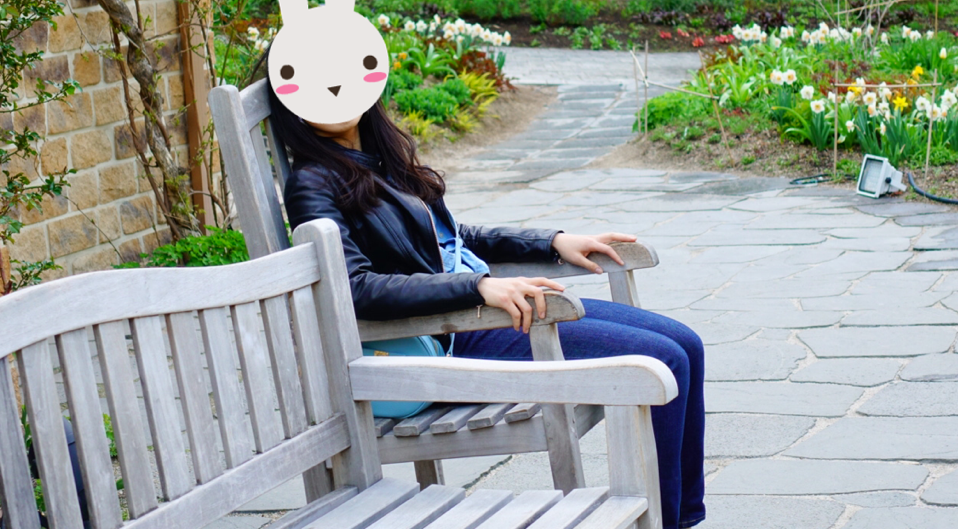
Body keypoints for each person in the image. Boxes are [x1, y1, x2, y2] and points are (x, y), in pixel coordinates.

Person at [270, 74, 706, 529]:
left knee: (686, 344)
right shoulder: (311, 183)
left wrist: (551, 242)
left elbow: (453, 239)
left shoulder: (380, 157)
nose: (334, 91)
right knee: (665, 359)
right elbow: (355, 288)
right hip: (449, 333)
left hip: (483, 311)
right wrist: (475, 287)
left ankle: (681, 519)